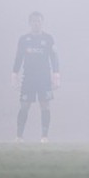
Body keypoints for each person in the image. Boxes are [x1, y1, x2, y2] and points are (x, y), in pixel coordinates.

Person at [12, 11, 60, 143]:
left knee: (45, 106)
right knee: (24, 106)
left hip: (44, 77)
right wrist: (14, 73)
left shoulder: (48, 39)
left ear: (42, 22)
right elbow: (18, 57)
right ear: (29, 23)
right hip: (28, 77)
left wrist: (56, 74)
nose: (36, 23)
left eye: (38, 21)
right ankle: (19, 136)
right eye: (33, 21)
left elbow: (54, 57)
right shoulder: (23, 39)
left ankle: (44, 136)